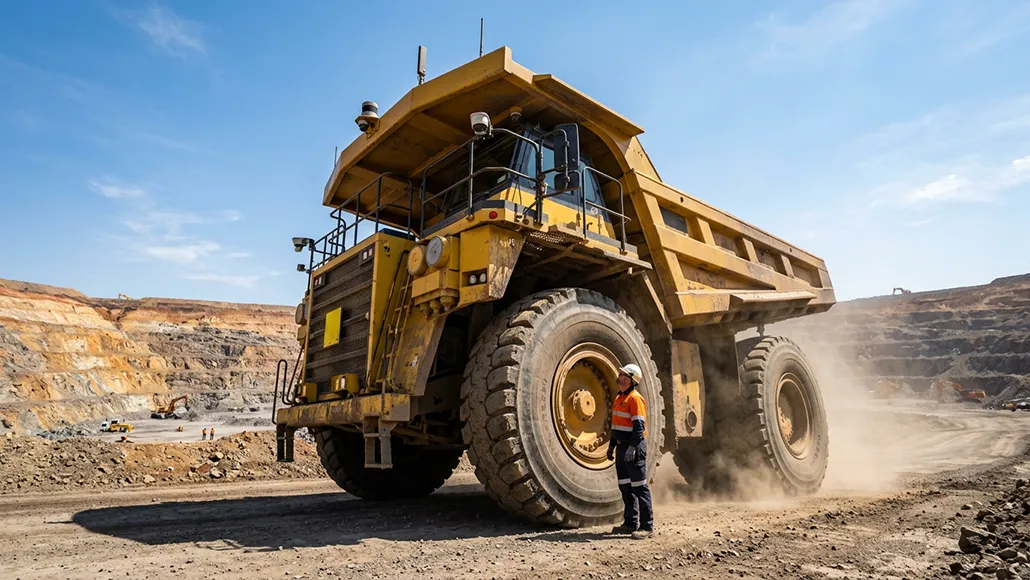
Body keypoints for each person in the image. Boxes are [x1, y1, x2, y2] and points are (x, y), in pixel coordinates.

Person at [607, 363, 654, 539]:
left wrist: (633, 448)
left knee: (639, 487)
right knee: (625, 487)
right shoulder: (619, 398)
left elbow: (639, 428)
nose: (620, 379)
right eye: (620, 377)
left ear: (631, 381)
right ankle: (630, 523)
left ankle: (647, 527)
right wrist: (611, 446)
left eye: (624, 378)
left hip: (634, 447)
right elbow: (616, 426)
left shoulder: (635, 399)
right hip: (621, 447)